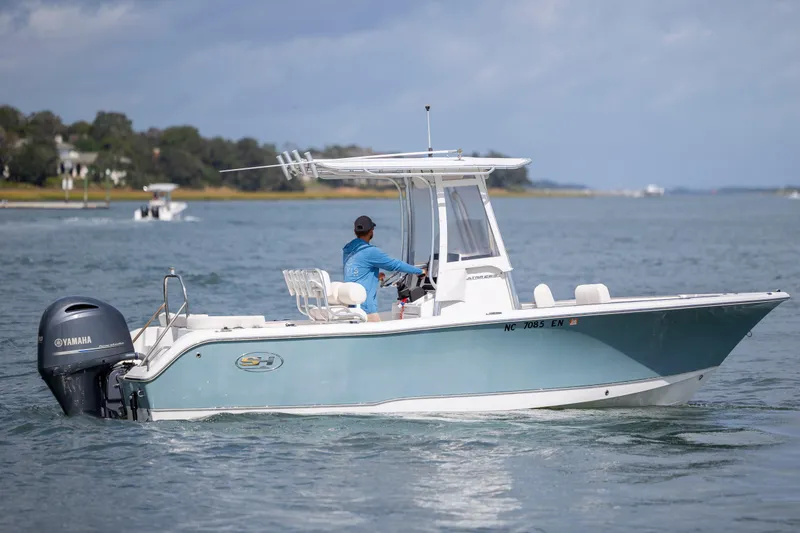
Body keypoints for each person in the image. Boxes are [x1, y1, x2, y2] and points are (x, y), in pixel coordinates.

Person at [343, 215, 426, 322]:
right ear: (371, 231)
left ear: (355, 232)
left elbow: (356, 272)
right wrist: (419, 271)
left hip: (350, 306)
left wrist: (375, 276)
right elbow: (394, 265)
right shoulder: (370, 251)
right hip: (366, 309)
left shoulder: (348, 249)